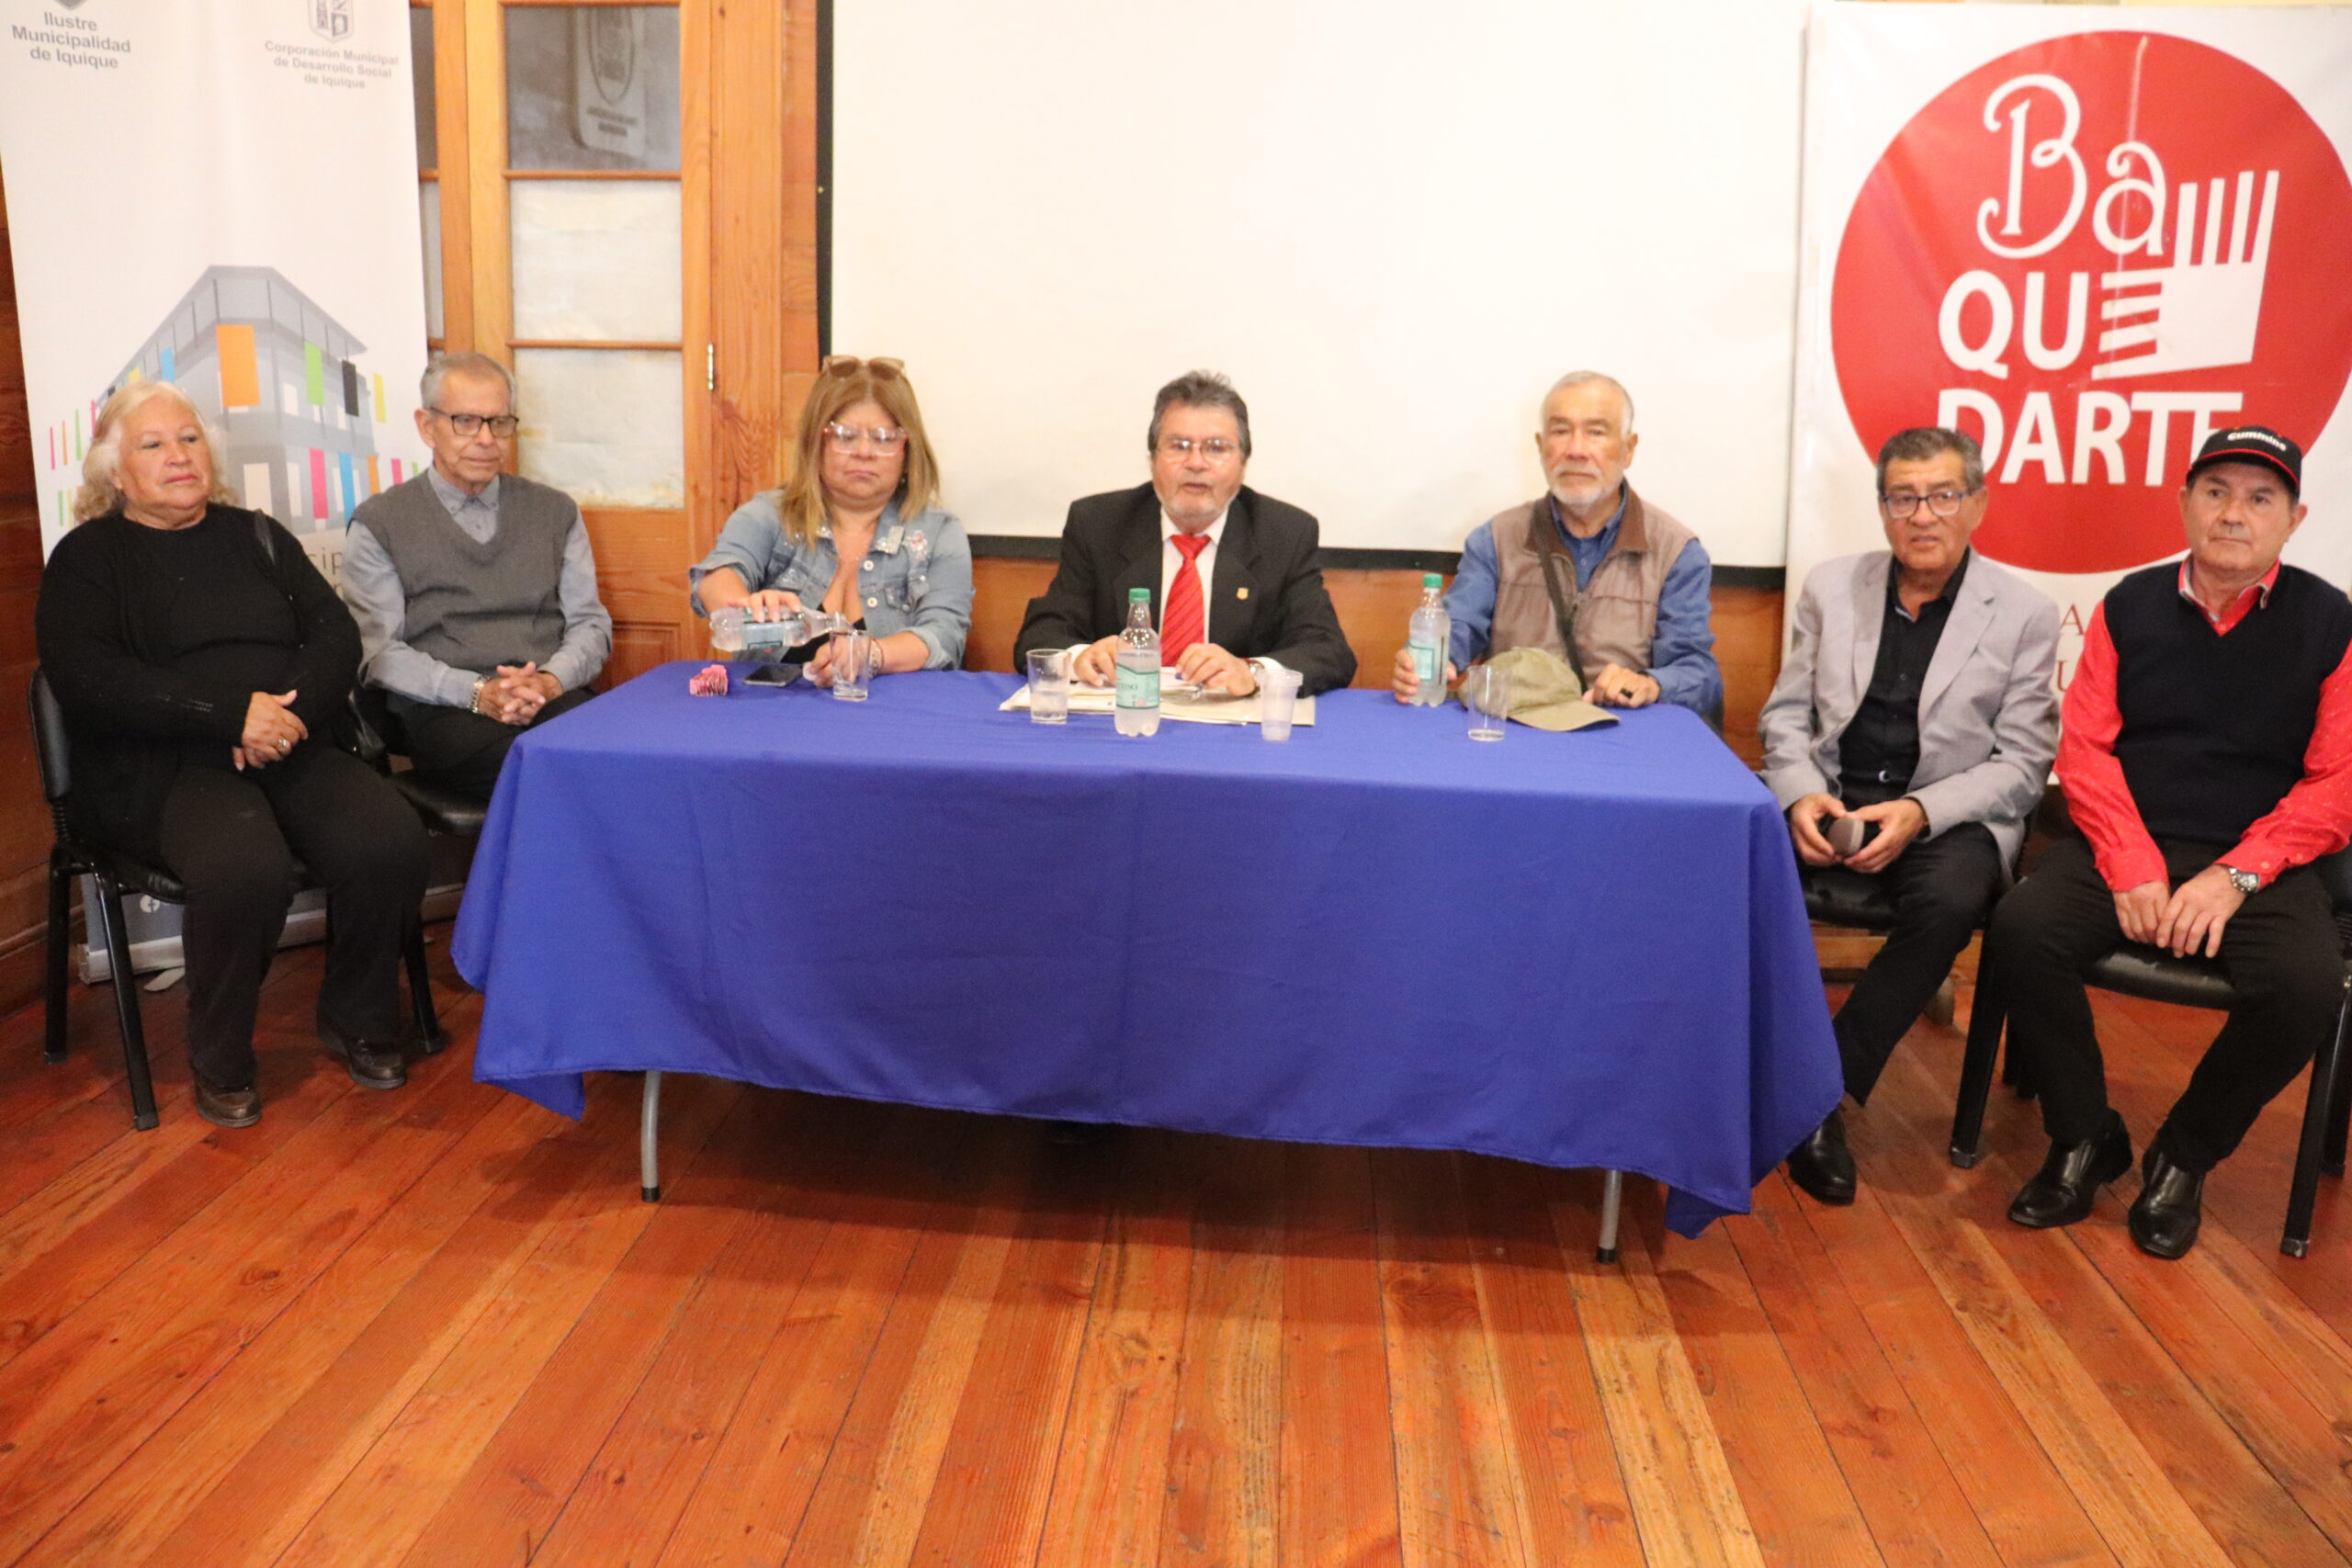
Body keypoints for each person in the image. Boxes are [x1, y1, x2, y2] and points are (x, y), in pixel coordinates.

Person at [1990, 425, 2349, 1259]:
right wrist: (2130, 860)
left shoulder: (2333, 623)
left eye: (2261, 498)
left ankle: (2183, 1156)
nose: (2235, 513)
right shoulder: (2129, 605)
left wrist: (2235, 875)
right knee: (2021, 928)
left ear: (2295, 518)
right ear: (2185, 503)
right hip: (2135, 837)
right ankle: (2085, 1135)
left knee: (2306, 986)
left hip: (2261, 855)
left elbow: (2338, 781)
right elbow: (2085, 747)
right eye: (2216, 491)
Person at [35, 382, 430, 1127]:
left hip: (286, 737)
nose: (178, 455)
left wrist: (282, 716)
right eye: (152, 445)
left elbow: (334, 636)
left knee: (389, 839)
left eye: (188, 438)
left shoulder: (257, 535)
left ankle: (355, 1014)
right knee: (245, 867)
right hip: (166, 764)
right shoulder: (87, 559)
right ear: (115, 473)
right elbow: (90, 681)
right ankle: (220, 1055)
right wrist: (229, 717)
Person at [1760, 427, 2061, 1204]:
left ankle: (1819, 1096)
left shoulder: (2024, 613)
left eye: (1942, 495)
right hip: (1832, 797)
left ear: (1977, 503)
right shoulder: (1832, 586)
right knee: (1731, 860)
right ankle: (1730, 1070)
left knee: (1955, 898)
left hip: (1945, 817)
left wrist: (1921, 811)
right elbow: (1786, 717)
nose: (1922, 515)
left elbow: (2024, 765)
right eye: (1903, 498)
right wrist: (1798, 792)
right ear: (1884, 508)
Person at [343, 351, 611, 800]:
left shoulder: (554, 511)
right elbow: (379, 652)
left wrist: (548, 681)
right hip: (446, 708)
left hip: (549, 695)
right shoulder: (380, 522)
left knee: (619, 757)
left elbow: (590, 624)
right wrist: (477, 692)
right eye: (466, 421)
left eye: (499, 422)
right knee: (552, 774)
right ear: (427, 426)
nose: (486, 439)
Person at [1392, 371, 1721, 718]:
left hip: (1619, 739)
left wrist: (1652, 683)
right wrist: (1428, 659)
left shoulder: (1676, 552)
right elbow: (1458, 626)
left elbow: (1699, 674)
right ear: (1540, 446)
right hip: (1518, 732)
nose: (1576, 450)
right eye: (1561, 431)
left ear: (1628, 449)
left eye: (1595, 432)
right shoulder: (1496, 539)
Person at [1014, 370, 1355, 695]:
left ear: (1244, 464)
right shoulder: (1099, 523)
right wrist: (1081, 657)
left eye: (1217, 448)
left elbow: (1327, 650)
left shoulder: (1284, 533)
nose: (1196, 463)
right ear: (1153, 459)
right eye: (1178, 446)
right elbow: (1041, 635)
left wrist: (1251, 673)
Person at [691, 355, 973, 678]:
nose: (864, 452)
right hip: (770, 716)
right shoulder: (769, 514)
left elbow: (945, 636)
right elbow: (716, 577)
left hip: (892, 718)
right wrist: (747, 606)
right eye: (845, 435)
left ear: (907, 448)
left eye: (884, 438)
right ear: (817, 440)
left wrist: (872, 655)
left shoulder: (938, 532)